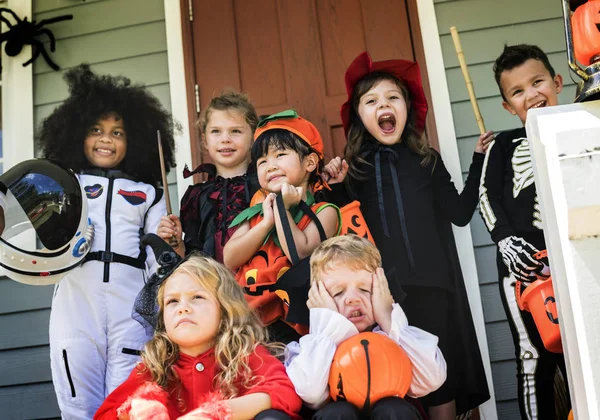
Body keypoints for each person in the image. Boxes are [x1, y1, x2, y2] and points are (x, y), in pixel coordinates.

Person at [320, 52, 491, 419]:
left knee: (439, 374)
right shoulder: (353, 171)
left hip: (433, 286)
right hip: (382, 295)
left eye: (392, 97)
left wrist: (478, 161)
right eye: (372, 101)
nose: (384, 105)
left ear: (407, 109)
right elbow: (340, 233)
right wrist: (332, 188)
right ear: (359, 117)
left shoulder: (427, 160)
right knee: (393, 376)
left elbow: (460, 214)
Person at [36, 64, 177, 418]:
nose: (106, 139)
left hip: (132, 307)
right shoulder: (67, 184)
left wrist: (167, 244)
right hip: (75, 302)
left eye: (118, 132)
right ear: (75, 135)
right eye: (96, 130)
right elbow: (44, 248)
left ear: (135, 141)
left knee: (128, 404)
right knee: (77, 401)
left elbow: (157, 260)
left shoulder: (149, 192)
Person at [94, 247, 303, 419]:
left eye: (197, 297)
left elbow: (285, 393)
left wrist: (219, 413)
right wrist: (133, 409)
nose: (183, 308)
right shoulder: (155, 365)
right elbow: (104, 414)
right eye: (172, 301)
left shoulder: (245, 353)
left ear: (224, 308)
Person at [478, 44, 571, 420]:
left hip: (575, 260)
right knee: (534, 359)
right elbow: (486, 195)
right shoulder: (503, 145)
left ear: (557, 82)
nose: (531, 94)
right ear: (507, 106)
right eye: (517, 91)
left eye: (537, 82)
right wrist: (504, 240)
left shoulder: (582, 126)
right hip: (524, 270)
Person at [285, 235, 447, 420]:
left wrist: (387, 317)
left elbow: (432, 379)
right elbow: (311, 394)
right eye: (338, 292)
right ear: (319, 299)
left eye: (365, 289)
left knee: (394, 409)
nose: (353, 298)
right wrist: (328, 325)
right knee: (338, 413)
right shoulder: (309, 349)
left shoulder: (394, 337)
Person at [224, 110, 340, 343]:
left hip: (296, 324)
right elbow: (230, 258)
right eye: (262, 161)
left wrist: (282, 210)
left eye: (280, 155)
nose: (270, 165)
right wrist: (266, 222)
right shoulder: (256, 214)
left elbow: (299, 253)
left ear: (310, 162)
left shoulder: (325, 212)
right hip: (250, 323)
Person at [157, 91, 260, 262]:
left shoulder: (264, 185)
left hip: (260, 283)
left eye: (235, 131)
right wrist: (177, 245)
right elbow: (193, 258)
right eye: (216, 131)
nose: (225, 139)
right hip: (212, 285)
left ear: (253, 138)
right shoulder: (197, 197)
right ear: (205, 141)